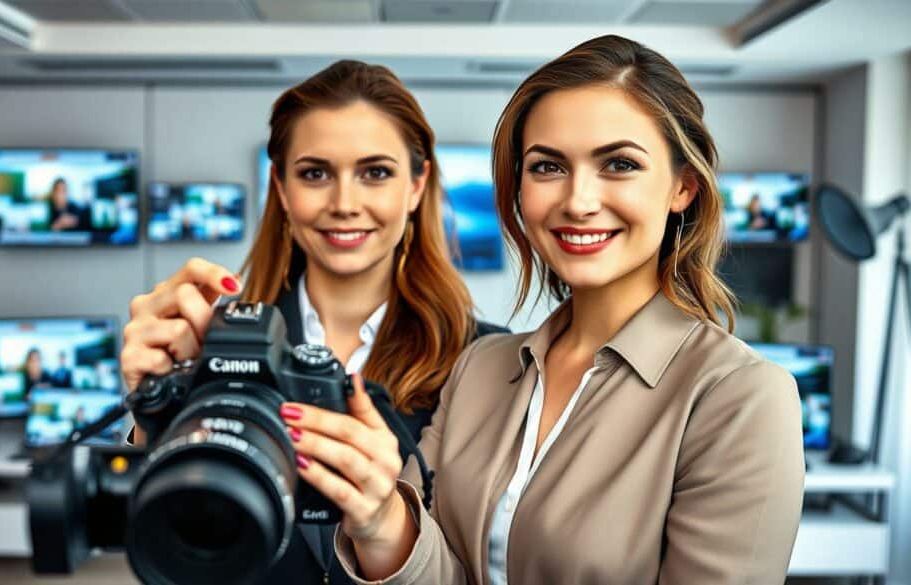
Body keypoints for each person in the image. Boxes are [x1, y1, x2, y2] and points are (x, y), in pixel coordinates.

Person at [283, 35, 806, 584]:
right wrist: (378, 513)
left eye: (619, 164)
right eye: (548, 167)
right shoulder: (481, 366)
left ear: (683, 187)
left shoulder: (740, 397)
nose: (578, 201)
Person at [119, 59, 506, 585]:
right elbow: (176, 552)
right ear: (281, 188)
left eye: (375, 172)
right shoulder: (210, 346)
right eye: (315, 173)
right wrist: (154, 414)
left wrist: (385, 524)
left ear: (417, 186)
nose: (344, 204)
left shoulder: (488, 365)